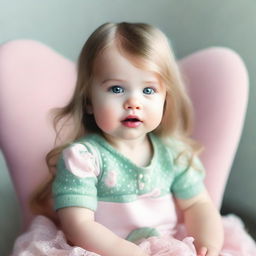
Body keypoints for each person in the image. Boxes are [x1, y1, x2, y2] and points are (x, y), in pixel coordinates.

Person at [12, 22, 256, 256]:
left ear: (164, 99)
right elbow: (78, 224)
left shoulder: (174, 155)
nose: (133, 103)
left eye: (148, 90)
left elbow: (198, 205)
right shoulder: (84, 159)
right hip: (103, 251)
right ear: (88, 101)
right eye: (117, 89)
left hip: (169, 246)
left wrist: (208, 243)